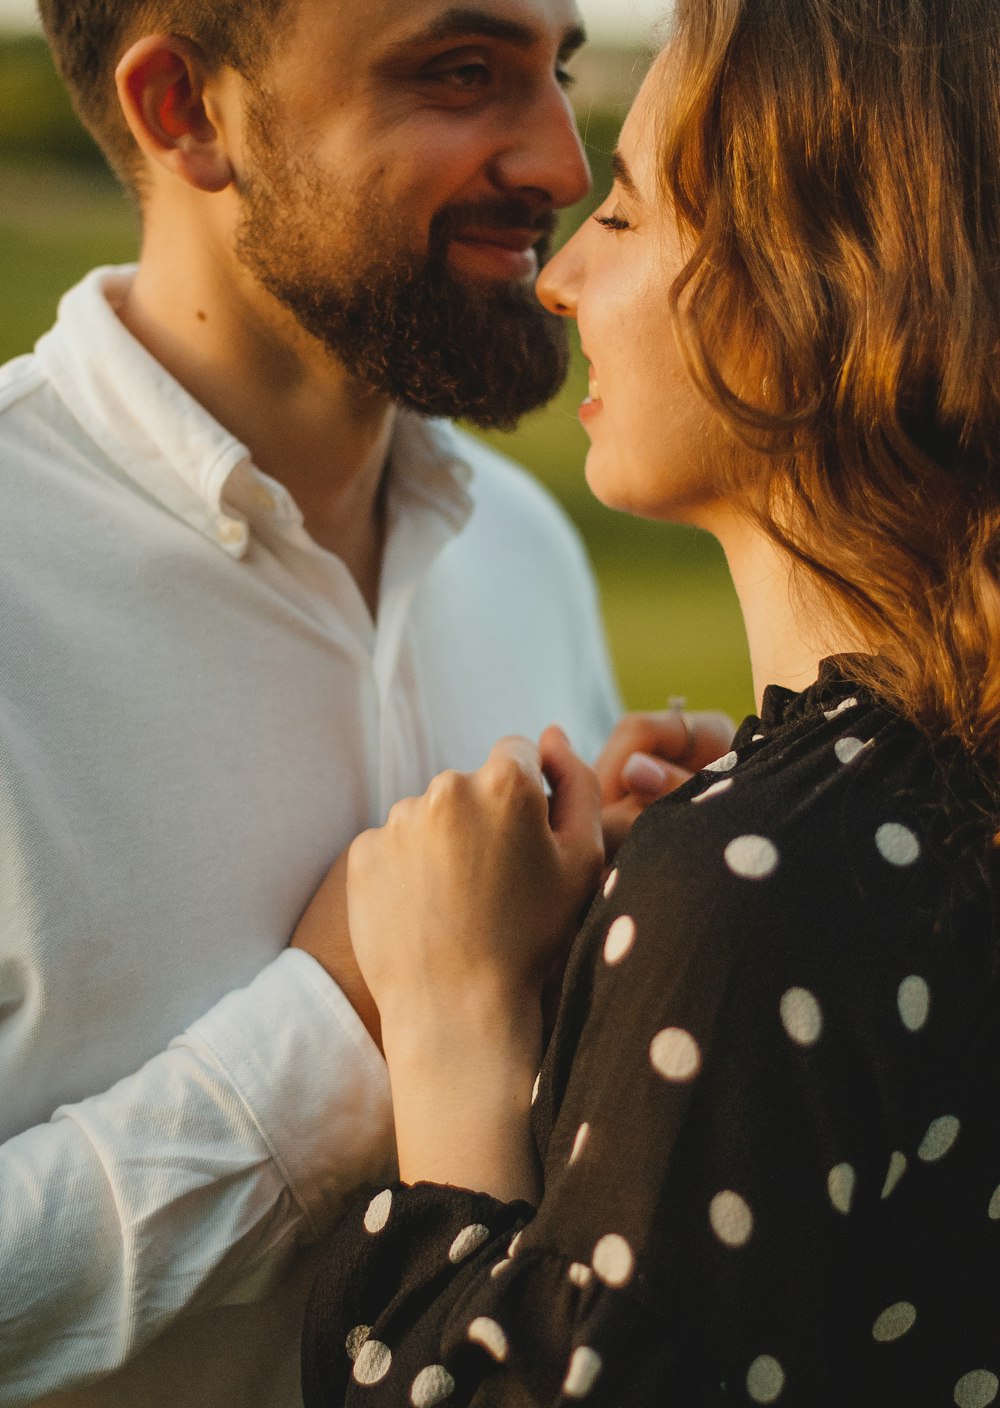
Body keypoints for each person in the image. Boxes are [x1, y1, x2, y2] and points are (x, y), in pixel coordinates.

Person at [0, 1, 734, 1405]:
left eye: (557, 70)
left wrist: (621, 930)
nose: (560, 163)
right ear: (185, 113)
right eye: (462, 75)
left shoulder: (524, 547)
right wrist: (341, 1023)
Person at [301, 0, 1000, 1403]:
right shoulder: (917, 804)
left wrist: (456, 1014)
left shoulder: (765, 888)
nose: (558, 279)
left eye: (622, 216)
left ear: (813, 280)